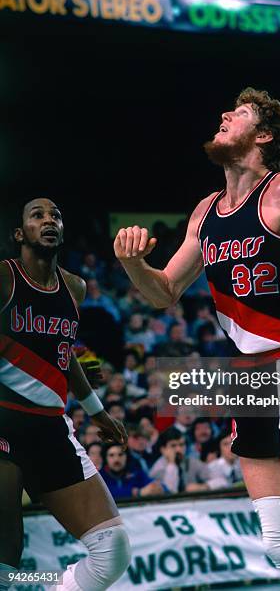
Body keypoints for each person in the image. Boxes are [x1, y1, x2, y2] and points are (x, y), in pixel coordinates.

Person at [114, 88, 280, 589]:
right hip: (245, 379)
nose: (226, 114)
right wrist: (131, 265)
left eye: (242, 113)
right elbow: (165, 291)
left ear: (263, 135)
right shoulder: (205, 211)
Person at [0, 198, 131, 591]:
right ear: (20, 234)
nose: (48, 220)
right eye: (37, 215)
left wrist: (96, 411)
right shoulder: (4, 278)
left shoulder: (75, 287)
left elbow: (68, 354)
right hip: (4, 423)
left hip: (52, 430)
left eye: (55, 214)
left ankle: (48, 586)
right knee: (6, 561)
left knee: (114, 550)